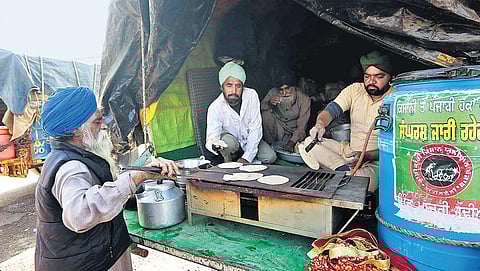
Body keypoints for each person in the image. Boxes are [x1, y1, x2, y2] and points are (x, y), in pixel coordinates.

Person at [35, 87, 179, 271]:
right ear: (77, 130)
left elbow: (105, 188)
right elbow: (79, 214)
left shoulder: (81, 154)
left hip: (98, 256)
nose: (103, 126)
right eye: (97, 122)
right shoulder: (70, 167)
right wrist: (134, 178)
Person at [302, 51, 394, 193]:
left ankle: (343, 175)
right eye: (367, 76)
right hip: (348, 152)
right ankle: (344, 172)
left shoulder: (398, 97)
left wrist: (366, 156)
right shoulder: (355, 90)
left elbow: (399, 147)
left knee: (361, 182)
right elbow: (332, 109)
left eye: (379, 77)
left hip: (376, 161)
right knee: (308, 143)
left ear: (390, 77)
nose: (371, 81)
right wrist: (320, 124)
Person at [205, 62, 277, 164]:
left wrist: (246, 158)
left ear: (243, 87)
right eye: (229, 85)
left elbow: (255, 128)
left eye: (238, 86)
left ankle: (243, 158)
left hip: (249, 138)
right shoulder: (215, 107)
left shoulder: (252, 95)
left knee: (270, 157)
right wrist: (214, 144)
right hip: (231, 141)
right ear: (221, 87)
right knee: (227, 144)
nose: (234, 91)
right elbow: (212, 135)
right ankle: (229, 164)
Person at [260, 78, 311, 152]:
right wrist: (269, 103)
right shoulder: (273, 92)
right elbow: (261, 107)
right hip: (277, 128)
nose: (284, 93)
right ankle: (270, 146)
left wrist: (291, 142)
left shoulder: (304, 99)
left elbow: (302, 126)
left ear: (294, 88)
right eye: (281, 90)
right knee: (266, 114)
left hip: (293, 131)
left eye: (287, 88)